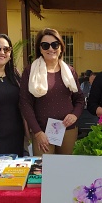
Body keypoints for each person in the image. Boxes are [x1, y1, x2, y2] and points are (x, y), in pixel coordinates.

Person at [20, 28, 85, 156]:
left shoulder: (70, 71)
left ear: (61, 47)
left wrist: (74, 115)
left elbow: (79, 99)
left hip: (68, 130)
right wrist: (37, 132)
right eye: (45, 45)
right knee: (44, 170)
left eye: (55, 44)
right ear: (40, 49)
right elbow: (25, 103)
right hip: (42, 131)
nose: (51, 49)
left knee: (66, 170)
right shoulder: (30, 72)